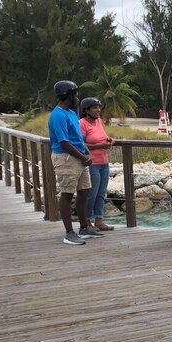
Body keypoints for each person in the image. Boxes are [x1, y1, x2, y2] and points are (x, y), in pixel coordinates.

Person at [48, 80, 104, 245]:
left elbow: (78, 138)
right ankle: (69, 233)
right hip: (66, 158)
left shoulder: (71, 113)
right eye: (75, 94)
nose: (77, 98)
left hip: (79, 156)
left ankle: (84, 227)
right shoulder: (58, 115)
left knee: (84, 191)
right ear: (68, 95)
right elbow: (64, 142)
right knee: (67, 194)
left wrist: (87, 152)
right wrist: (82, 156)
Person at [80, 97, 115, 231]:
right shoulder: (82, 123)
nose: (98, 110)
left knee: (101, 193)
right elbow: (82, 144)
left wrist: (109, 140)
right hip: (92, 163)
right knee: (92, 193)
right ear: (86, 110)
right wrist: (100, 145)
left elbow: (101, 137)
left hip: (104, 162)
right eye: (94, 108)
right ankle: (87, 221)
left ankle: (99, 220)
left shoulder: (99, 121)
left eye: (99, 107)